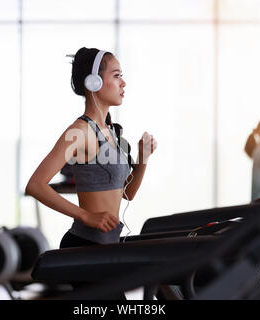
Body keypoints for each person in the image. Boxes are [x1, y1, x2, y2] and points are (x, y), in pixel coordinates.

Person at [26, 47, 157, 296]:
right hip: (86, 244)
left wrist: (143, 159)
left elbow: (127, 194)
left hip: (109, 244)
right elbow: (36, 184)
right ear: (94, 82)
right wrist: (86, 216)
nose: (123, 82)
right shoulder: (81, 131)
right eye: (117, 75)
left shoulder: (113, 132)